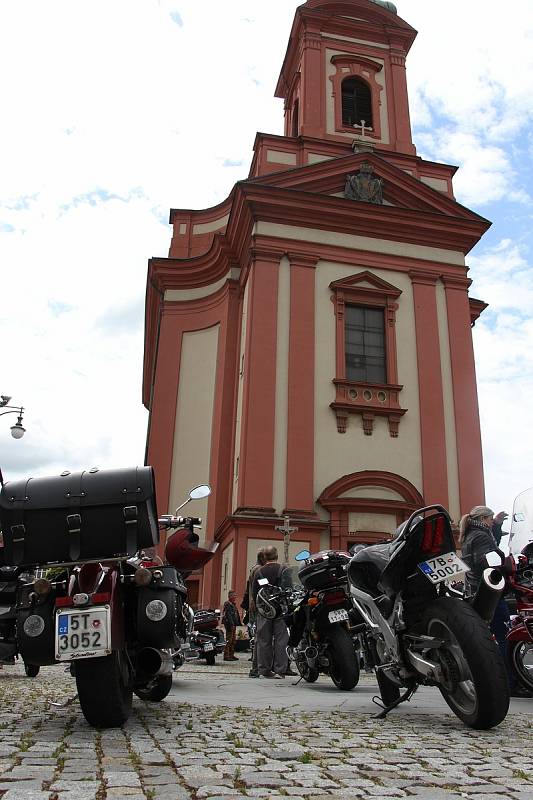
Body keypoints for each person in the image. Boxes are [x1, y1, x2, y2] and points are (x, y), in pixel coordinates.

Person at [459, 505, 532, 698]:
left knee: (492, 636)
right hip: (489, 592)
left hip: (476, 591)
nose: (492, 523)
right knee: (504, 636)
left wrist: (498, 525)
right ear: (484, 519)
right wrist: (505, 566)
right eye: (491, 520)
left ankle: (503, 681)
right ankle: (510, 683)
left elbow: (489, 546)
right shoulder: (480, 535)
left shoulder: (472, 534)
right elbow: (486, 560)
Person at [252, 545, 291, 679]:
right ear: (276, 555)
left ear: (264, 557)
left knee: (264, 640)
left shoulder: (259, 572)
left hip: (265, 611)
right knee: (282, 640)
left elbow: (254, 593)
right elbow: (289, 589)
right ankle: (280, 670)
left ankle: (265, 670)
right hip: (281, 611)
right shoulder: (284, 569)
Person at [242, 549, 266, 678]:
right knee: (260, 637)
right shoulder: (259, 570)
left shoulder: (253, 568)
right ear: (262, 558)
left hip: (254, 605)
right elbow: (263, 587)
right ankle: (256, 668)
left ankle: (256, 667)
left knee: (257, 636)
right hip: (259, 606)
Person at [221, 590, 241, 661]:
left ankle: (231, 655)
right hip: (230, 625)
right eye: (234, 595)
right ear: (230, 596)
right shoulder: (228, 604)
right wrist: (232, 624)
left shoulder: (233, 604)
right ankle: (226, 655)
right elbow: (228, 615)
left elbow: (236, 615)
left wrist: (238, 623)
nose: (235, 597)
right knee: (229, 640)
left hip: (233, 624)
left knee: (233, 640)